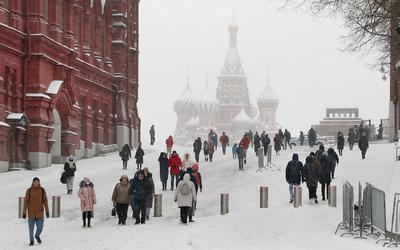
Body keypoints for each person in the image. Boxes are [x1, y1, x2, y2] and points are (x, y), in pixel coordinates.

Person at [23, 177, 49, 246]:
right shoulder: (29, 190)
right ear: (33, 183)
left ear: (39, 182)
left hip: (39, 212)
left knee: (40, 227)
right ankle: (31, 241)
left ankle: (37, 235)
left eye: (38, 182)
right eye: (35, 182)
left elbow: (45, 201)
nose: (36, 183)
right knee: (31, 228)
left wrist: (47, 211)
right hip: (31, 212)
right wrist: (24, 212)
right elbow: (26, 202)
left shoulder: (42, 190)